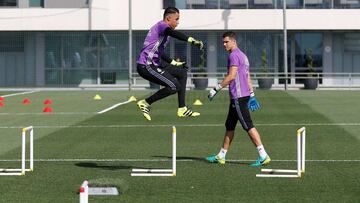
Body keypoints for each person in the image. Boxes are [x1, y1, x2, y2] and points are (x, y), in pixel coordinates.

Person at [206, 31, 271, 166]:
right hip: (241, 96)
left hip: (238, 97)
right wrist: (252, 94)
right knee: (230, 126)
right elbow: (247, 76)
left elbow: (231, 76)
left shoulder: (234, 56)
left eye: (226, 42)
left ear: (233, 41)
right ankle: (221, 155)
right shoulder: (243, 56)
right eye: (223, 42)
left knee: (248, 126)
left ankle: (263, 155)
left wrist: (215, 89)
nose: (224, 44)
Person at [136, 7, 203, 121]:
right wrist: (191, 40)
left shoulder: (162, 33)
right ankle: (146, 102)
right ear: (168, 18)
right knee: (174, 86)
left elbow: (159, 53)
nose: (178, 22)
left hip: (155, 64)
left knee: (182, 73)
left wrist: (174, 63)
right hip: (146, 66)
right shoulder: (162, 26)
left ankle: (182, 108)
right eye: (176, 19)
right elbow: (173, 33)